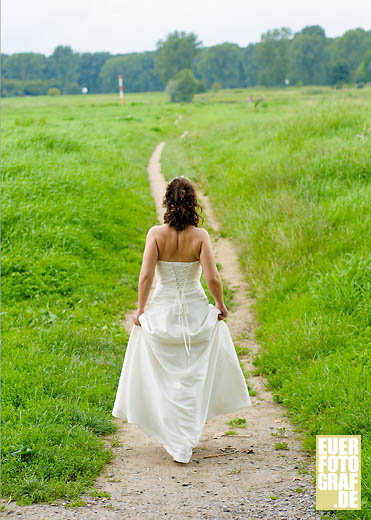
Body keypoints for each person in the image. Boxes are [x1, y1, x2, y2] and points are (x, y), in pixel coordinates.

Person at [112, 176, 251, 463]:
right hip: (193, 309)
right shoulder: (200, 237)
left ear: (167, 202)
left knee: (166, 374)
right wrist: (220, 306)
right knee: (191, 374)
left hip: (163, 310)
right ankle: (184, 433)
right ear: (193, 203)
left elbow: (146, 276)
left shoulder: (155, 234)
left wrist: (140, 310)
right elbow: (212, 277)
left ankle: (174, 433)